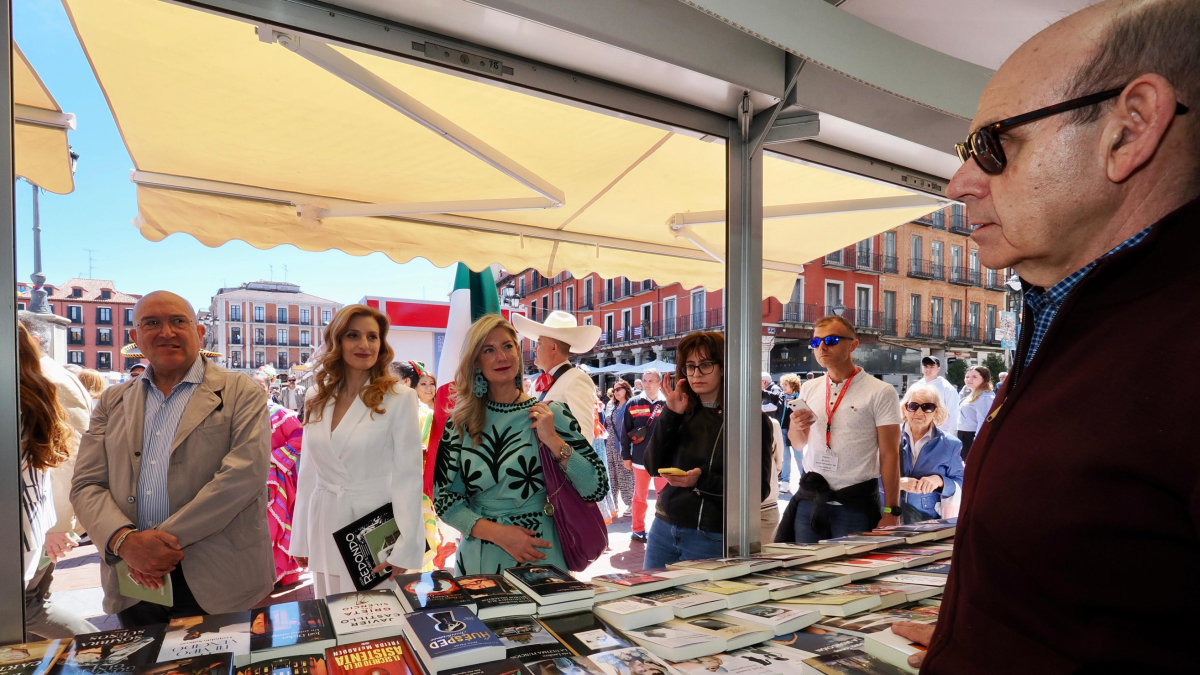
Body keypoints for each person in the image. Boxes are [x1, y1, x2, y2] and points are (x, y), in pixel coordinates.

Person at [891, 1, 1200, 670]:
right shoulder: (1070, 314)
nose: (960, 182)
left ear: (1130, 131)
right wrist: (972, 628)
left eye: (996, 145)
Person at [71, 291, 273, 625]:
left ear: (199, 332)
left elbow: (243, 477)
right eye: (152, 323)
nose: (166, 332)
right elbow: (86, 483)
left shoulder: (240, 392)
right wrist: (125, 542)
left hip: (221, 577)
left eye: (178, 321)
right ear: (135, 337)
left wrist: (153, 547)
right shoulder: (112, 401)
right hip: (133, 581)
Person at [433, 314, 608, 575]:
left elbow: (596, 487)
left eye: (507, 346)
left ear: (518, 352)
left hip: (543, 551)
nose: (501, 357)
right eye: (488, 350)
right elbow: (445, 501)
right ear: (476, 362)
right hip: (483, 556)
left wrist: (553, 439)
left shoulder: (551, 414)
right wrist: (501, 535)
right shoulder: (459, 424)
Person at [289, 305, 424, 598]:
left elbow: (408, 477)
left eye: (372, 337)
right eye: (353, 335)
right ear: (337, 341)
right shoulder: (316, 397)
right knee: (331, 615)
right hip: (324, 521)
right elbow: (309, 473)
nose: (364, 344)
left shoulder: (400, 398)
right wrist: (300, 538)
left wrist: (407, 544)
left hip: (372, 530)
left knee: (374, 624)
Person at [641, 331, 773, 567]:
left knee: (698, 603)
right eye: (690, 366)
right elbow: (652, 466)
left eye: (705, 365)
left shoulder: (748, 419)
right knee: (649, 600)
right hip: (663, 526)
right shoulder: (680, 410)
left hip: (711, 533)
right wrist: (670, 414)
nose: (696, 374)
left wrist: (700, 482)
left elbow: (757, 491)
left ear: (723, 367)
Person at [778, 316, 902, 543]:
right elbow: (798, 443)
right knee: (806, 570)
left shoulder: (880, 391)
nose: (822, 347)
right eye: (816, 342)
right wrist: (796, 427)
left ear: (853, 345)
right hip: (811, 497)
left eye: (832, 340)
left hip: (855, 502)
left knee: (853, 573)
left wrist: (892, 512)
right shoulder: (809, 388)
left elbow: (890, 453)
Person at [16, 323, 96, 639]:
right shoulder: (42, 376)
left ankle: (102, 653)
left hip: (42, 522)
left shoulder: (49, 379)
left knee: (26, 606)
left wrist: (59, 524)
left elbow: (71, 457)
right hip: (39, 520)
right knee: (32, 605)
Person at [512, 310, 603, 445]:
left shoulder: (577, 379)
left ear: (553, 348)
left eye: (539, 343)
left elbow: (584, 436)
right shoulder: (538, 382)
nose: (534, 349)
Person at [249, 372, 305, 587]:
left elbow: (300, 437)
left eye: (259, 387)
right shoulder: (241, 414)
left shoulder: (280, 414)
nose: (255, 391)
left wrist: (275, 459)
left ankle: (281, 571)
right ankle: (260, 572)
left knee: (277, 524)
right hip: (251, 478)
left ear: (268, 388)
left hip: (278, 479)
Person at [895, 388, 964, 524]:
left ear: (936, 412)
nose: (919, 412)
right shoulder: (889, 438)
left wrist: (939, 481)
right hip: (888, 514)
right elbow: (868, 475)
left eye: (927, 407)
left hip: (927, 519)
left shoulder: (950, 444)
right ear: (904, 409)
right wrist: (897, 484)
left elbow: (961, 483)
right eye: (913, 406)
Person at [622, 368, 667, 543]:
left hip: (664, 459)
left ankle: (661, 530)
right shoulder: (633, 403)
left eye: (650, 381)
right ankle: (638, 530)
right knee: (640, 497)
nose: (646, 384)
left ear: (659, 383)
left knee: (663, 497)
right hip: (640, 460)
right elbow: (624, 431)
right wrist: (626, 456)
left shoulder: (668, 403)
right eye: (644, 380)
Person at [603, 380, 636, 517]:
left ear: (626, 389)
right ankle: (614, 503)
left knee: (625, 475)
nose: (615, 392)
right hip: (609, 446)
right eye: (614, 390)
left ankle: (631, 503)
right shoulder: (612, 406)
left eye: (618, 389)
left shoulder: (630, 405)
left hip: (622, 445)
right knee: (611, 476)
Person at [904, 356, 960, 436]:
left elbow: (954, 413)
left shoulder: (946, 388)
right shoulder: (916, 386)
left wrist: (953, 434)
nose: (928, 369)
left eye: (932, 367)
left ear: (938, 368)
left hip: (939, 432)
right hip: (917, 432)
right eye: (926, 367)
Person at [954, 366, 995, 460]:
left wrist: (977, 441)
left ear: (984, 378)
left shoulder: (985, 397)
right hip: (963, 435)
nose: (969, 379)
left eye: (974, 377)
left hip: (972, 436)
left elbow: (984, 421)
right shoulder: (972, 394)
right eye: (967, 376)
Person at [777, 373, 804, 493]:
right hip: (782, 429)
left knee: (799, 456)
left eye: (786, 384)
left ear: (793, 385)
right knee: (785, 456)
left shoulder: (800, 398)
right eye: (783, 384)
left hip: (796, 430)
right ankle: (785, 482)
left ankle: (804, 481)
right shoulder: (781, 397)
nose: (783, 386)